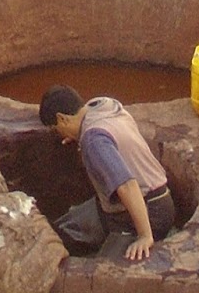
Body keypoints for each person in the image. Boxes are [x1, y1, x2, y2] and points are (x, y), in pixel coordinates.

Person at [38, 85, 173, 262]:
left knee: (104, 268)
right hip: (145, 201)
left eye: (56, 129)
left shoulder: (94, 141)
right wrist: (77, 133)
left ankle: (134, 235)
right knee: (60, 232)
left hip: (148, 212)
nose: (59, 134)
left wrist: (145, 236)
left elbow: (127, 185)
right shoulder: (103, 106)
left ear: (62, 118)